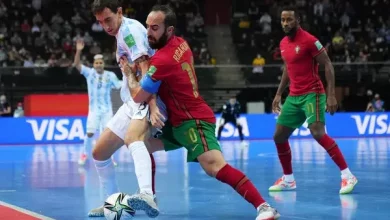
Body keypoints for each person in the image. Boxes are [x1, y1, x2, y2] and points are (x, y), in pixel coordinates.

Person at [121, 5, 280, 220]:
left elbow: (138, 95)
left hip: (193, 121)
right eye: (148, 27)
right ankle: (149, 197)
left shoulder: (162, 60)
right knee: (141, 145)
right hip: (177, 123)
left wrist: (129, 73)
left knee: (215, 167)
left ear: (169, 30)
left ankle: (264, 207)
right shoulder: (182, 44)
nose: (148, 32)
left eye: (155, 28)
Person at [88, 0, 167, 217]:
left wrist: (151, 105)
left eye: (108, 19)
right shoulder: (120, 33)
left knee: (134, 139)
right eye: (100, 22)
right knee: (99, 152)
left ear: (119, 12)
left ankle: (147, 195)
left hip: (145, 98)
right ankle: (113, 204)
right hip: (132, 101)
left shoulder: (130, 32)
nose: (106, 26)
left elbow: (146, 69)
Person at [269, 6, 357, 194]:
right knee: (279, 136)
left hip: (313, 93)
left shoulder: (310, 41)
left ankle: (347, 175)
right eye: (283, 20)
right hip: (293, 96)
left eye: (289, 20)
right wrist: (278, 93)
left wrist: (331, 94)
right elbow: (288, 68)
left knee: (317, 132)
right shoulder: (283, 43)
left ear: (298, 20)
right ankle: (288, 180)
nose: (285, 23)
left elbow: (327, 64)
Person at [73, 40, 121, 166]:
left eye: (100, 62)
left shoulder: (110, 75)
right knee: (90, 133)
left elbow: (120, 85)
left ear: (103, 64)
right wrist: (78, 50)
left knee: (107, 135)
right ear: (93, 64)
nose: (98, 64)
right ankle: (84, 154)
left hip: (107, 110)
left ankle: (109, 157)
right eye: (96, 63)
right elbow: (77, 64)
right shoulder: (89, 73)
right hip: (94, 110)